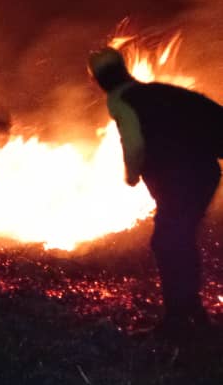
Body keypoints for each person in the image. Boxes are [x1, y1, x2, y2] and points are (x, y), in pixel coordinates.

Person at [89, 46, 223, 338]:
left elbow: (133, 141)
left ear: (97, 80)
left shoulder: (120, 99)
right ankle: (192, 314)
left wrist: (132, 174)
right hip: (204, 173)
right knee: (178, 238)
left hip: (183, 176)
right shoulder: (160, 92)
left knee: (168, 240)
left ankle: (178, 321)